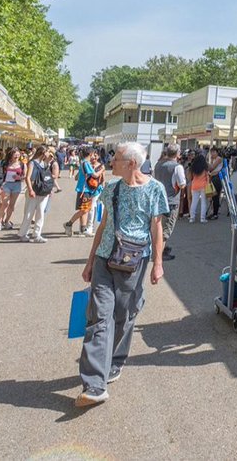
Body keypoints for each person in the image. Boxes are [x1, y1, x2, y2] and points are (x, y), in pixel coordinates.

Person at [76, 141, 167, 407]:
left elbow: (157, 228)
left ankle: (115, 359)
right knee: (99, 317)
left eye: (115, 159)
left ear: (131, 164)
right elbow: (104, 224)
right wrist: (90, 260)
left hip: (134, 261)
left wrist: (158, 263)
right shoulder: (111, 187)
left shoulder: (155, 189)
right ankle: (94, 385)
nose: (110, 162)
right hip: (106, 258)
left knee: (125, 314)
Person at [152, 145, 185, 261]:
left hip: (157, 200)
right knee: (166, 230)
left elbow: (154, 180)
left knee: (157, 227)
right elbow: (182, 184)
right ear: (177, 154)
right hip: (171, 200)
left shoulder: (158, 165)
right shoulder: (177, 167)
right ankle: (159, 256)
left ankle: (158, 249)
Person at [64, 149, 105, 237]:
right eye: (94, 154)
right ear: (90, 154)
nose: (94, 156)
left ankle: (83, 229)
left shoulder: (84, 162)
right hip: (84, 189)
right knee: (84, 210)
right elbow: (95, 175)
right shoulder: (86, 163)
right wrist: (102, 170)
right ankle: (69, 223)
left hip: (86, 189)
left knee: (85, 210)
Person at [19, 147, 56, 243]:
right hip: (34, 190)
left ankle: (37, 234)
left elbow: (48, 177)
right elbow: (28, 177)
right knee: (29, 213)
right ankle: (23, 233)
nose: (49, 153)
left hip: (43, 191)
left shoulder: (45, 163)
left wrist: (49, 189)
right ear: (43, 153)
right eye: (48, 152)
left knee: (40, 213)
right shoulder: (33, 162)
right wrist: (30, 189)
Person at [0, 147, 26, 232]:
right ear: (11, 155)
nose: (17, 155)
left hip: (17, 185)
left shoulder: (22, 164)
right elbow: (0, 174)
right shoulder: (5, 164)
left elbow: (25, 176)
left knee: (12, 205)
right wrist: (0, 186)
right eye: (15, 154)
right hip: (6, 184)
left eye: (18, 154)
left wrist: (19, 177)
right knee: (4, 203)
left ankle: (7, 221)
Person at [187, 153, 210, 223]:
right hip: (203, 186)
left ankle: (192, 218)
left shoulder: (193, 167)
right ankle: (202, 218)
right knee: (203, 202)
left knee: (194, 202)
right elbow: (207, 177)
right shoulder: (205, 167)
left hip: (194, 186)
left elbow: (190, 177)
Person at [207, 148, 225, 220]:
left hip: (217, 178)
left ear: (217, 152)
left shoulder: (219, 159)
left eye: (213, 152)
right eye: (211, 152)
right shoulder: (214, 159)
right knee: (211, 195)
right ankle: (213, 212)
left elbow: (211, 167)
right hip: (212, 177)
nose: (212, 154)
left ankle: (215, 213)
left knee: (215, 196)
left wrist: (207, 163)